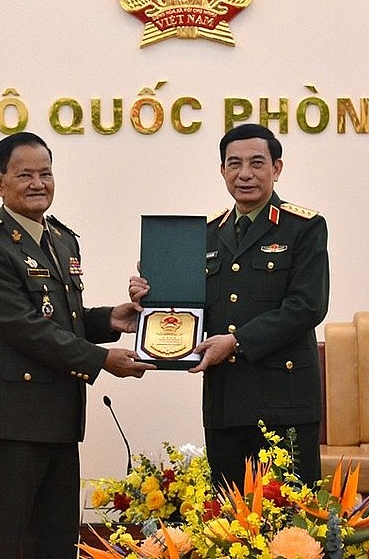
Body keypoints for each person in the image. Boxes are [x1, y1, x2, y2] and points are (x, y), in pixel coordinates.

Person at [0, 131, 155, 559]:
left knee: (57, 542)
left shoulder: (62, 238)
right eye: (25, 174)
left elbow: (62, 319)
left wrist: (109, 319)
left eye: (46, 173)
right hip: (11, 422)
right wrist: (102, 359)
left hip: (59, 418)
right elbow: (24, 328)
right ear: (0, 182)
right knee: (5, 542)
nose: (38, 184)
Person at [130, 124, 329, 488]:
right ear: (222, 170)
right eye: (234, 164)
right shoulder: (207, 234)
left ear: (277, 168)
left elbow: (307, 306)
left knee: (292, 528)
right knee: (227, 526)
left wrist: (236, 342)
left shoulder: (303, 227)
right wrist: (152, 297)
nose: (245, 174)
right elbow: (189, 306)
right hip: (225, 403)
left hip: (284, 403)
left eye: (257, 162)